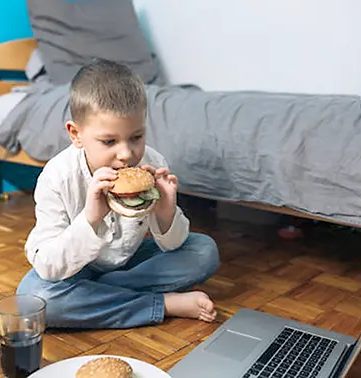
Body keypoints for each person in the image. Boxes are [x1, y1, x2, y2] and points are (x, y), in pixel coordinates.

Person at [16, 58, 220, 329]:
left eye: (136, 137)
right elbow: (48, 266)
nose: (126, 154)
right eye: (109, 141)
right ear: (76, 134)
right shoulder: (57, 177)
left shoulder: (153, 163)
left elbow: (173, 245)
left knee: (204, 251)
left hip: (130, 263)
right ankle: (162, 304)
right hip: (75, 267)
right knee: (34, 298)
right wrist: (90, 218)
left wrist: (166, 213)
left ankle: (94, 295)